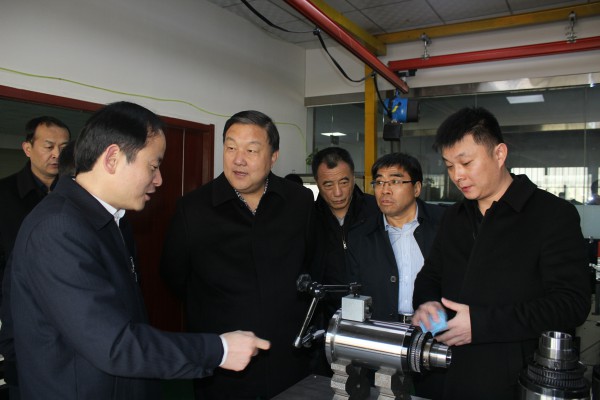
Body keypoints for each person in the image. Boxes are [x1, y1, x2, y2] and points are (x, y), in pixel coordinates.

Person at [9, 102, 269, 400]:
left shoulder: (113, 220)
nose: (158, 180)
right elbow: (113, 344)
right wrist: (219, 350)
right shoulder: (58, 228)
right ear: (112, 158)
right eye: (153, 166)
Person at [412, 106, 591, 400]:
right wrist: (427, 303)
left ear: (499, 154)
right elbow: (431, 275)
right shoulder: (454, 217)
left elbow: (571, 303)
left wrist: (482, 324)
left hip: (513, 381)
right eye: (449, 166)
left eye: (466, 162)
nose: (457, 175)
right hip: (446, 372)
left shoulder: (551, 215)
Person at [160, 110, 315, 399]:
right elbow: (175, 276)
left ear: (273, 156)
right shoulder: (193, 209)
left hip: (289, 356)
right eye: (230, 147)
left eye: (251, 150)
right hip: (223, 363)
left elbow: (312, 264)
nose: (238, 159)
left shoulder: (300, 201)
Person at [345, 152, 446, 399]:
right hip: (383, 338)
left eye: (395, 181)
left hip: (436, 336)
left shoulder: (445, 225)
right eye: (379, 182)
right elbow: (354, 292)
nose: (385, 189)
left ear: (417, 188)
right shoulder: (360, 236)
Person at [0, 116, 70, 399]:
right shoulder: (3, 195)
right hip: (20, 318)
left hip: (70, 317)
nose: (57, 154)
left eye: (64, 147)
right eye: (49, 146)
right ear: (27, 148)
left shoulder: (79, 196)